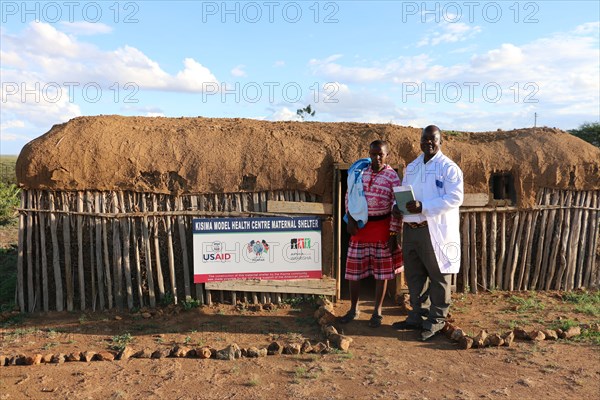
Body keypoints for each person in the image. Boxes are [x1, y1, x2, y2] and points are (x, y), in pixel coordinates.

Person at [392, 125, 463, 341]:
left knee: (439, 275)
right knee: (415, 276)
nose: (429, 143)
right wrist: (398, 206)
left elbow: (455, 198)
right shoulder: (412, 167)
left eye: (433, 139)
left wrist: (423, 206)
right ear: (420, 141)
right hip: (412, 229)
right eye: (425, 139)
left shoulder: (448, 168)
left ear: (440, 141)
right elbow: (405, 193)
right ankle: (417, 315)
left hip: (434, 230)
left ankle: (436, 320)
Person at [340, 140, 403, 328]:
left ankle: (377, 311)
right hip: (360, 228)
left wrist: (393, 234)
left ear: (387, 156)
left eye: (380, 154)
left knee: (381, 274)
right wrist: (349, 218)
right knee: (353, 272)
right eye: (373, 153)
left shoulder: (392, 177)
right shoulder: (360, 172)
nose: (376, 158)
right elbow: (349, 195)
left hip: (382, 228)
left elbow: (396, 206)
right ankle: (353, 309)